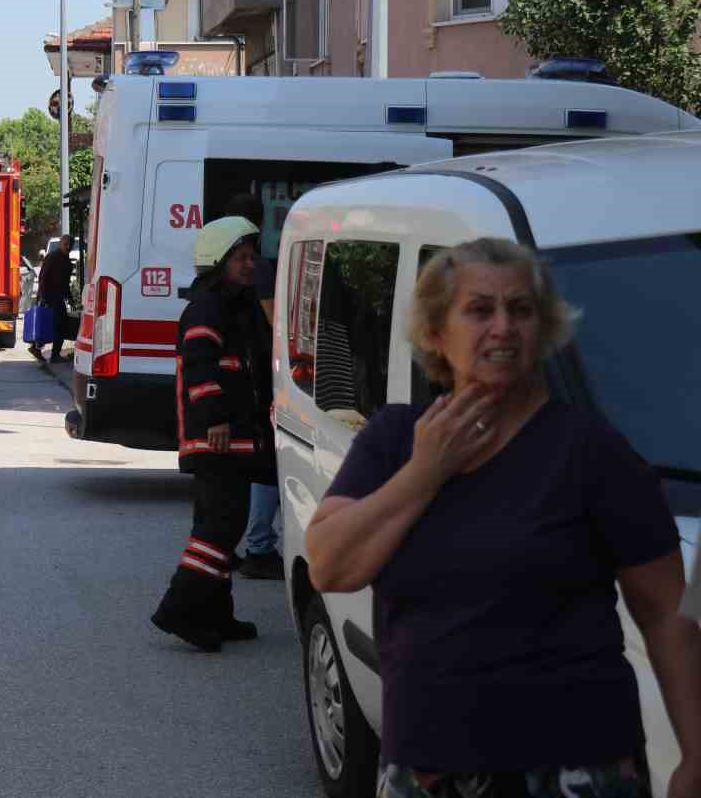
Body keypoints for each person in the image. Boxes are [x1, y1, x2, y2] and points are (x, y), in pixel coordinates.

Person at [306, 238, 701, 797]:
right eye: (479, 309)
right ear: (437, 332)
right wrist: (425, 472)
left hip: (577, 768)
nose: (503, 327)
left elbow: (666, 612)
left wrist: (696, 755)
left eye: (520, 310)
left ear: (542, 330)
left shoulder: (591, 451)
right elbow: (329, 566)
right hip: (429, 766)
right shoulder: (394, 441)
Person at [150, 216, 276, 651]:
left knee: (222, 525)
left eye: (251, 256)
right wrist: (217, 419)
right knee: (219, 529)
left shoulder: (234, 304)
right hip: (217, 438)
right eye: (241, 258)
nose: (250, 264)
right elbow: (202, 369)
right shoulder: (208, 307)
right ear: (218, 260)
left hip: (232, 438)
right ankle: (179, 610)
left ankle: (216, 615)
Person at [224, 192, 283, 581]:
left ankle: (237, 543)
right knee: (265, 465)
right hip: (262, 377)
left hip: (242, 377)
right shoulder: (257, 269)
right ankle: (259, 546)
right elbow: (275, 324)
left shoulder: (227, 271)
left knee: (246, 465)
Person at [29, 234, 74, 363]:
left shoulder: (67, 261)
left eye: (70, 245)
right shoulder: (53, 257)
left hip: (58, 297)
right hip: (49, 296)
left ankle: (38, 348)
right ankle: (51, 354)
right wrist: (43, 296)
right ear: (61, 244)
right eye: (65, 244)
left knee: (56, 324)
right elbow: (43, 277)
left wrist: (70, 297)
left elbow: (65, 283)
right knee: (56, 324)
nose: (68, 247)